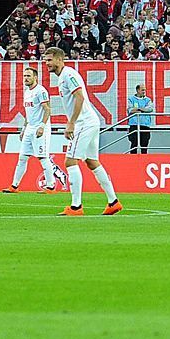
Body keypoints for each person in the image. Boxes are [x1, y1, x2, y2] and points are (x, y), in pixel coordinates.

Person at [45, 47, 121, 216]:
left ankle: (76, 206)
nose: (47, 63)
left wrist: (71, 123)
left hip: (83, 123)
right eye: (45, 60)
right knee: (92, 162)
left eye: (49, 60)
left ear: (59, 59)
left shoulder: (68, 75)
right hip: (90, 121)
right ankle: (113, 202)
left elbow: (79, 96)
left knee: (70, 161)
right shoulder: (63, 77)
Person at [5, 64, 64, 193]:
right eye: (24, 76)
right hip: (30, 128)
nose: (25, 78)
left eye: (28, 76)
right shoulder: (27, 92)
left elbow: (47, 109)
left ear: (35, 77)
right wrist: (24, 128)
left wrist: (42, 126)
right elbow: (28, 113)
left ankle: (51, 186)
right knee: (22, 157)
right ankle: (14, 186)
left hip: (40, 128)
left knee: (43, 157)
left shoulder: (41, 91)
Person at [126, 83, 154, 154]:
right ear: (137, 90)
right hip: (134, 125)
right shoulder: (131, 99)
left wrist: (138, 109)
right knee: (134, 143)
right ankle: (133, 160)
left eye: (144, 90)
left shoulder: (148, 100)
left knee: (144, 144)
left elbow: (150, 109)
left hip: (145, 125)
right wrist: (143, 109)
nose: (144, 91)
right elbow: (130, 110)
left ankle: (144, 161)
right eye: (142, 90)